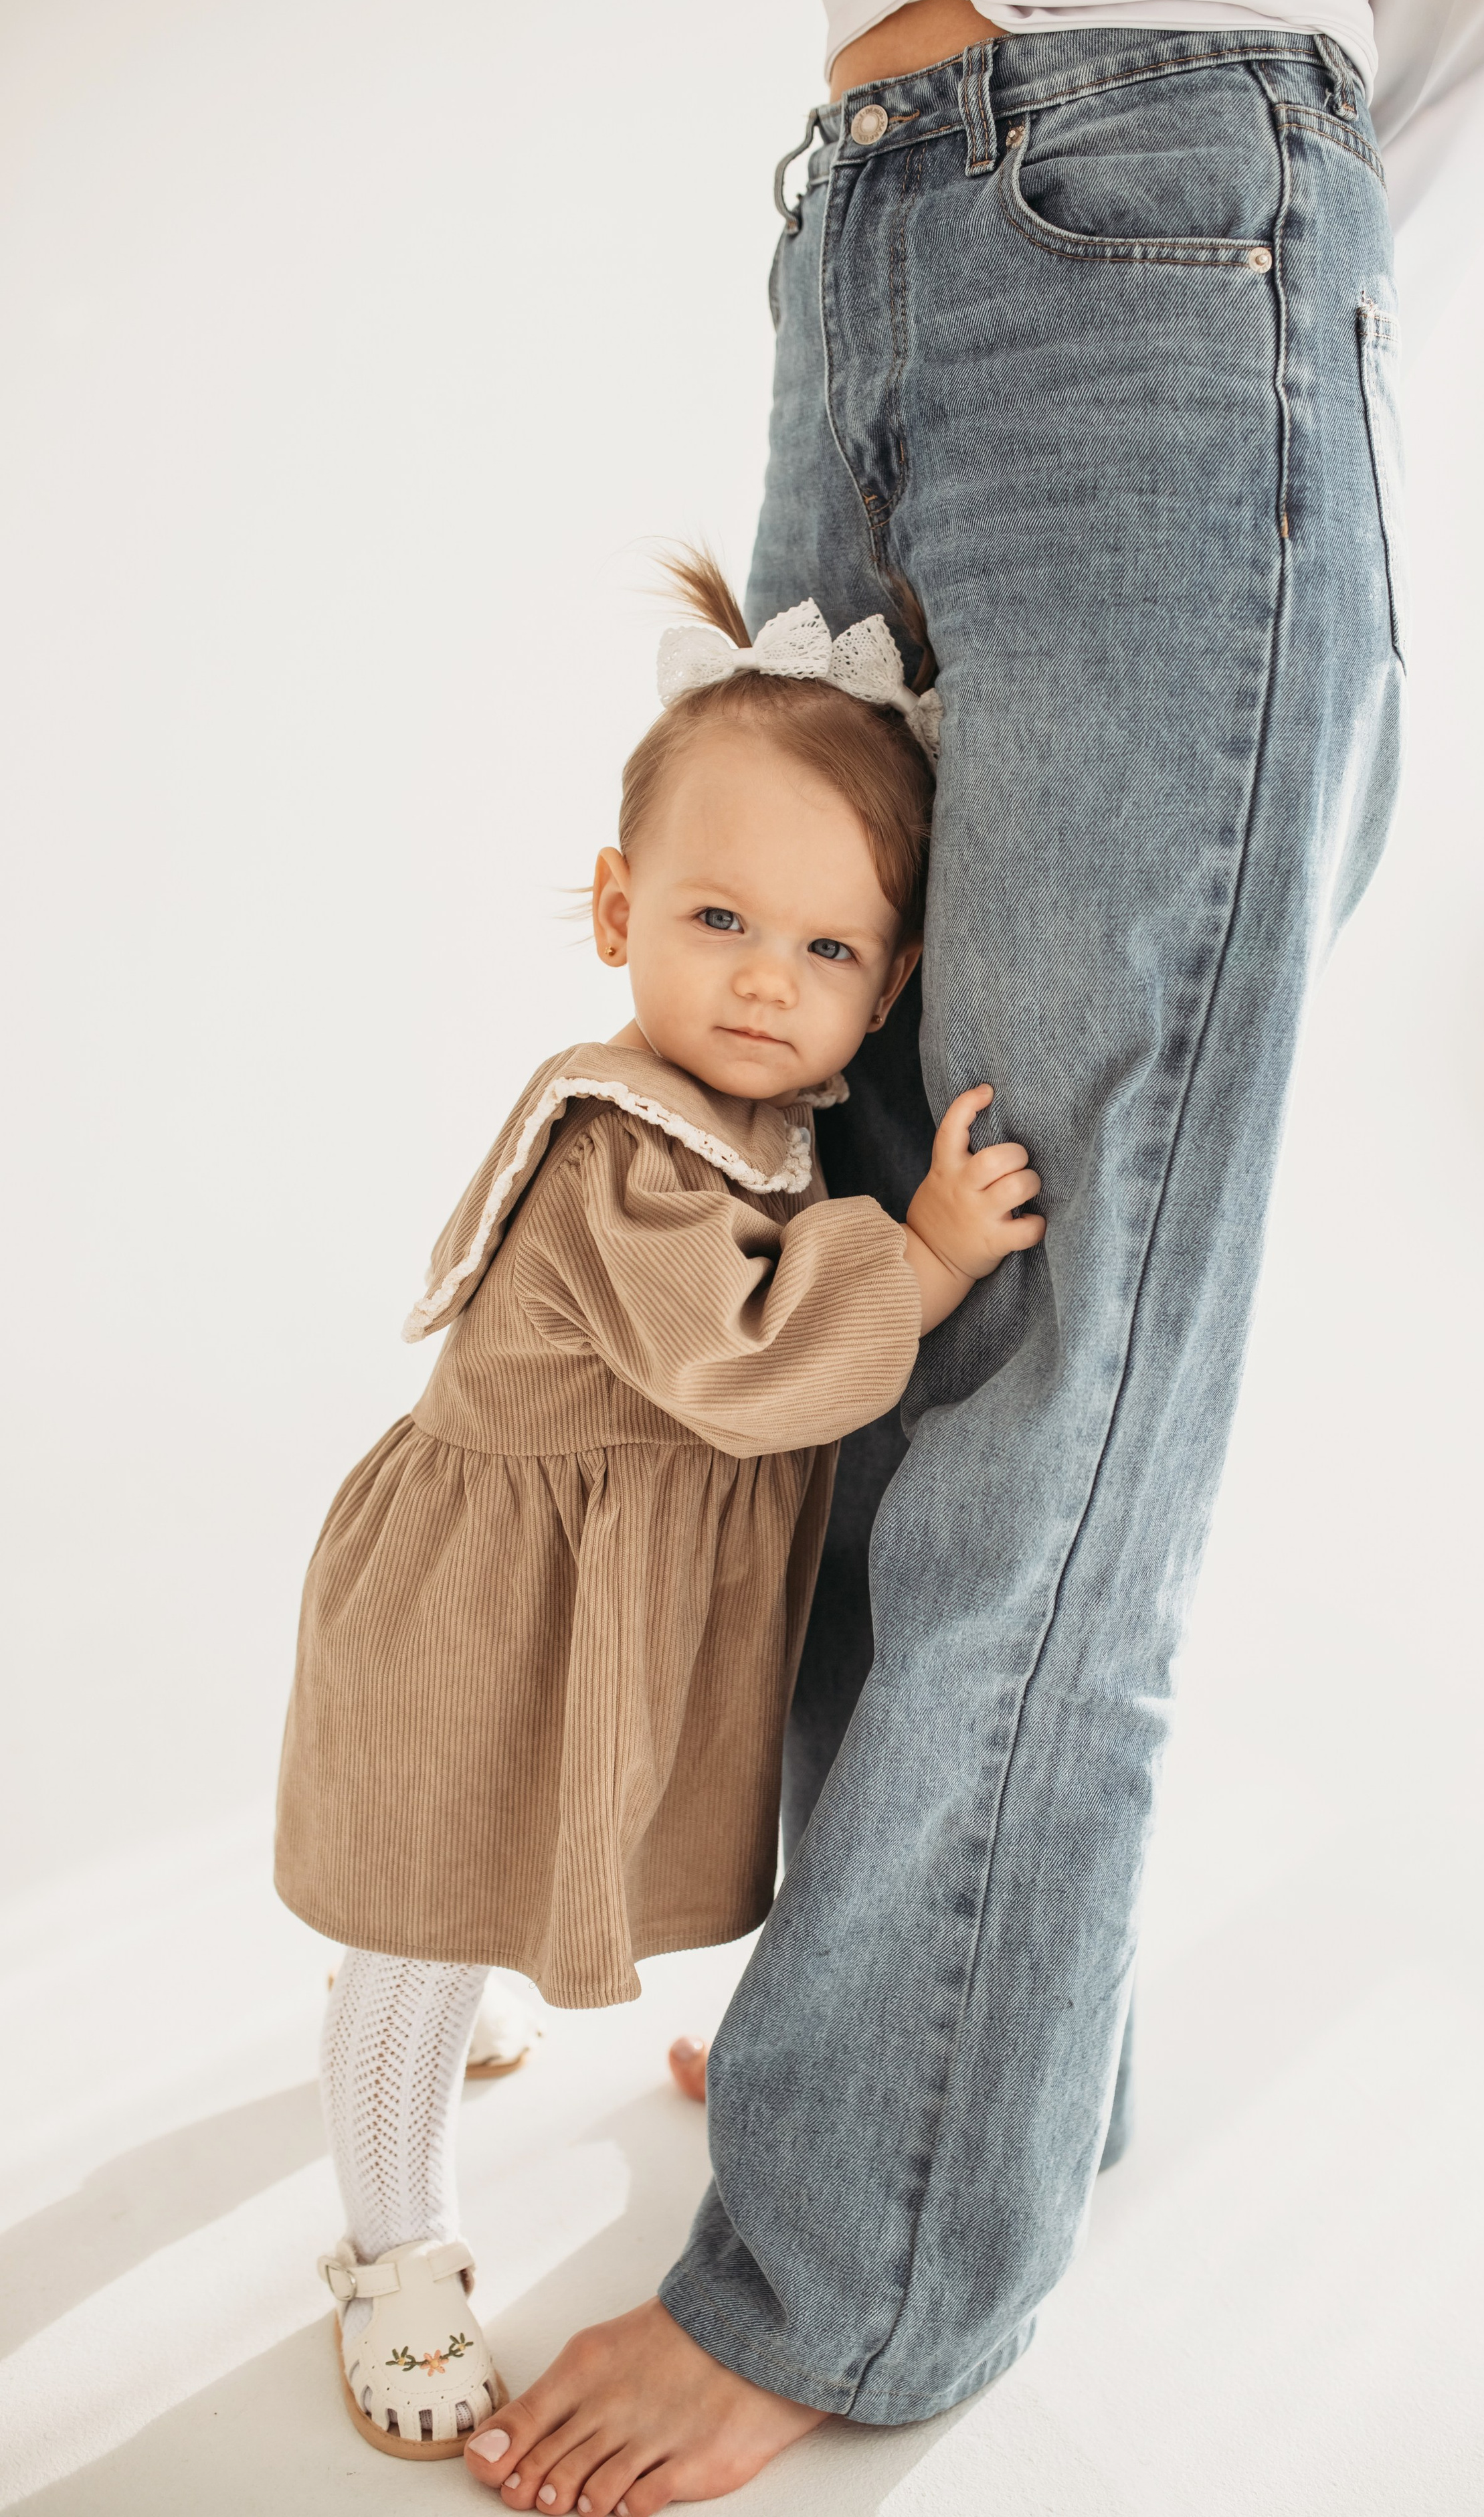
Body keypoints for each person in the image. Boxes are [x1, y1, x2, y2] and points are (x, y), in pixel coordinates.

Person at [458, 0, 1408, 2514]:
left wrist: (1307, 231)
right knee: (852, 1256)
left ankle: (872, 2258)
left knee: (1049, 1387)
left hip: (1173, 244)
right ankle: (948, 2047)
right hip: (890, 232)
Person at [273, 551, 1044, 2459]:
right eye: (717, 918)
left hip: (573, 1600)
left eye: (829, 950)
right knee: (423, 1919)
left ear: (893, 976)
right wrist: (926, 1262)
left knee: (496, 1874)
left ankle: (441, 2040)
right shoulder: (628, 1144)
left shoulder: (757, 1120)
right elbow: (746, 1365)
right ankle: (391, 2240)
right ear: (620, 910)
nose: (768, 982)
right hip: (485, 1603)